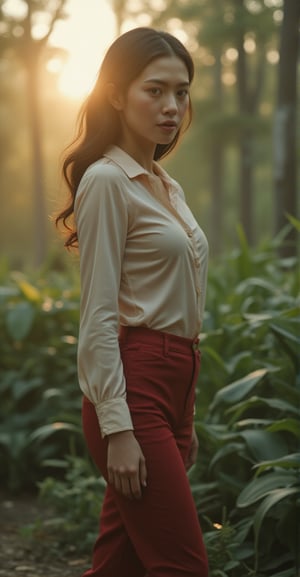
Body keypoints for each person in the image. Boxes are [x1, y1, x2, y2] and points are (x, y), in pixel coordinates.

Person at [56, 26, 209, 577]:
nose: (172, 106)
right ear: (116, 94)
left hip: (174, 384)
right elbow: (97, 314)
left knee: (120, 564)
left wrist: (186, 415)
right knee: (182, 565)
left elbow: (187, 312)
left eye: (182, 92)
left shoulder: (166, 186)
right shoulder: (106, 181)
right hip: (133, 388)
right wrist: (118, 428)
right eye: (155, 91)